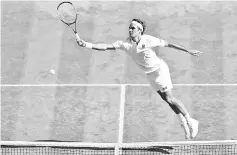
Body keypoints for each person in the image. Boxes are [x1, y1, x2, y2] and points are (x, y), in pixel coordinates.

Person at [76, 18, 202, 139]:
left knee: (169, 97)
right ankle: (183, 122)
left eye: (132, 28)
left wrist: (188, 50)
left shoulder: (148, 40)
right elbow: (105, 47)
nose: (130, 30)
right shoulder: (125, 44)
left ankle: (191, 121)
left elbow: (169, 44)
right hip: (150, 74)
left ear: (140, 31)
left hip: (160, 71)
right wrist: (86, 44)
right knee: (166, 99)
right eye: (129, 28)